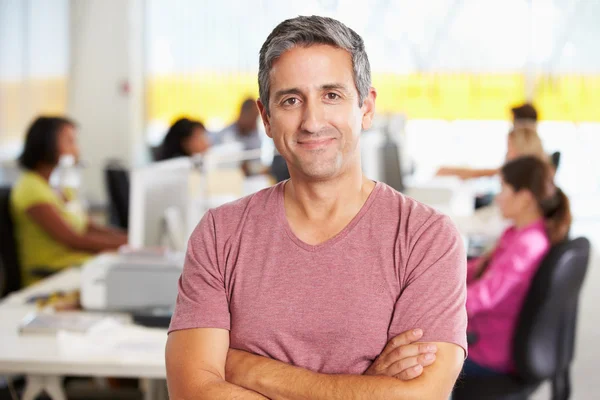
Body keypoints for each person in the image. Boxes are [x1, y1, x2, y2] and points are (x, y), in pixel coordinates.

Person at [166, 15, 467, 399]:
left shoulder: (426, 238)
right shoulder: (219, 233)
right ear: (266, 118)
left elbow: (419, 396)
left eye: (332, 95)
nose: (312, 121)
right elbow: (193, 392)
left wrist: (251, 370)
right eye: (291, 100)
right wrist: (367, 387)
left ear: (366, 107)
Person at [462, 156, 571, 377]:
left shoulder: (527, 246)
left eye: (503, 189)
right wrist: (437, 275)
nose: (498, 198)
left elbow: (483, 296)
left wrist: (432, 305)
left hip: (488, 349)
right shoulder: (517, 234)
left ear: (524, 198)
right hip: (484, 334)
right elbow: (479, 268)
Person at [10, 116, 128, 286]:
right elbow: (73, 240)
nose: (76, 150)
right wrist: (127, 245)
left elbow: (88, 227)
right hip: (53, 277)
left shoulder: (61, 187)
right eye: (70, 142)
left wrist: (130, 237)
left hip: (79, 268)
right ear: (47, 145)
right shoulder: (30, 187)